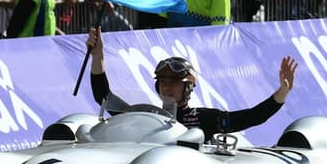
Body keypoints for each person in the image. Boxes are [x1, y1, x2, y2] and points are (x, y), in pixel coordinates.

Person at [85, 26, 298, 143]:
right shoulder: (144, 117)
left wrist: (282, 92)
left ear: (187, 88)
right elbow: (103, 97)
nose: (167, 86)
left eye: (174, 81)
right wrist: (98, 56)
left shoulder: (204, 118)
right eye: (163, 81)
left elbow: (252, 117)